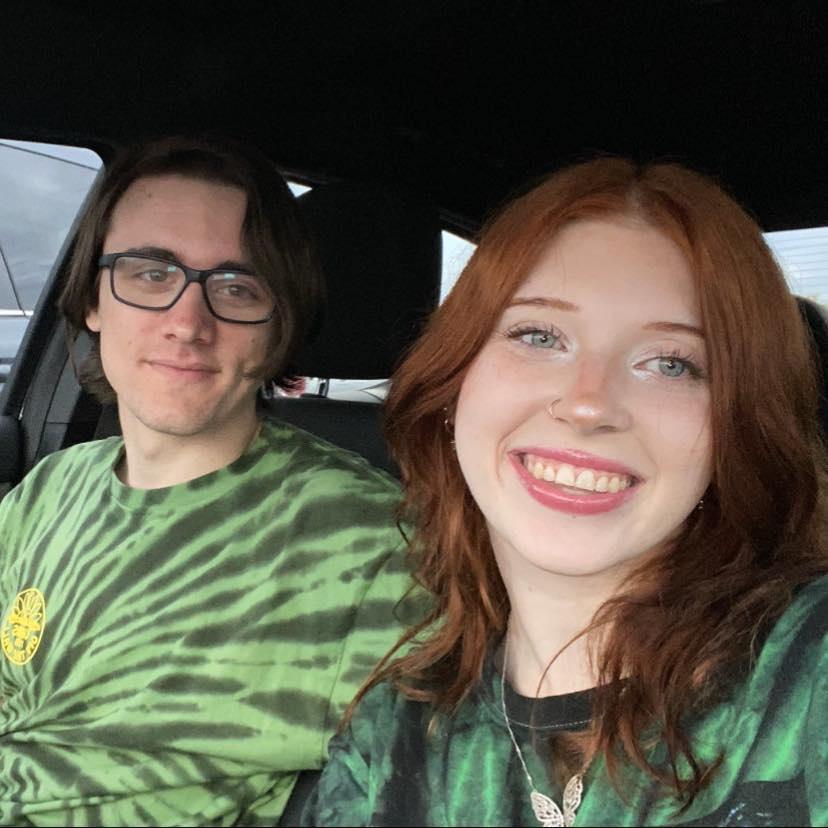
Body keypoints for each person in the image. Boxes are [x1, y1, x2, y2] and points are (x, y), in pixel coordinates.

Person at [304, 158, 828, 826]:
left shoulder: (806, 675)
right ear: (452, 386)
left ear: (735, 429)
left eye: (671, 363)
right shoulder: (390, 737)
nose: (588, 404)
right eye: (539, 336)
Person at [0, 136, 421, 825]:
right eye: (150, 273)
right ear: (93, 300)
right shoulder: (48, 489)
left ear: (279, 324)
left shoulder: (377, 549)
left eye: (236, 287)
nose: (187, 324)